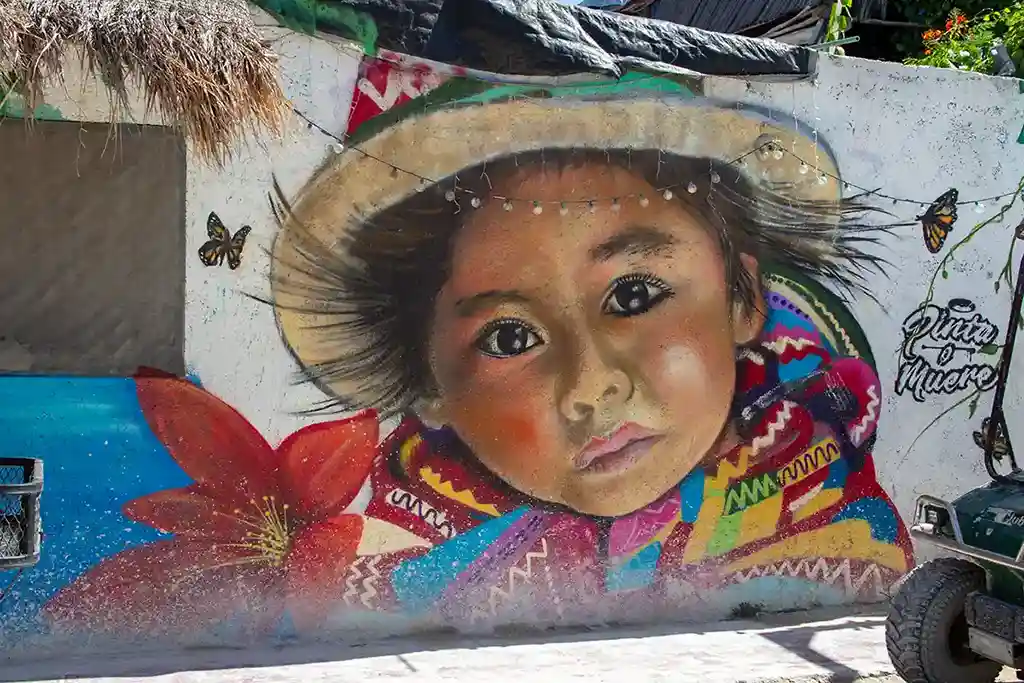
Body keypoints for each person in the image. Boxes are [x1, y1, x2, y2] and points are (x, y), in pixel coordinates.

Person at [271, 93, 913, 623]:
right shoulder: (389, 574)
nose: (592, 384)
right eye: (509, 339)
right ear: (431, 387)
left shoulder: (842, 525)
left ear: (742, 301)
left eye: (634, 295)